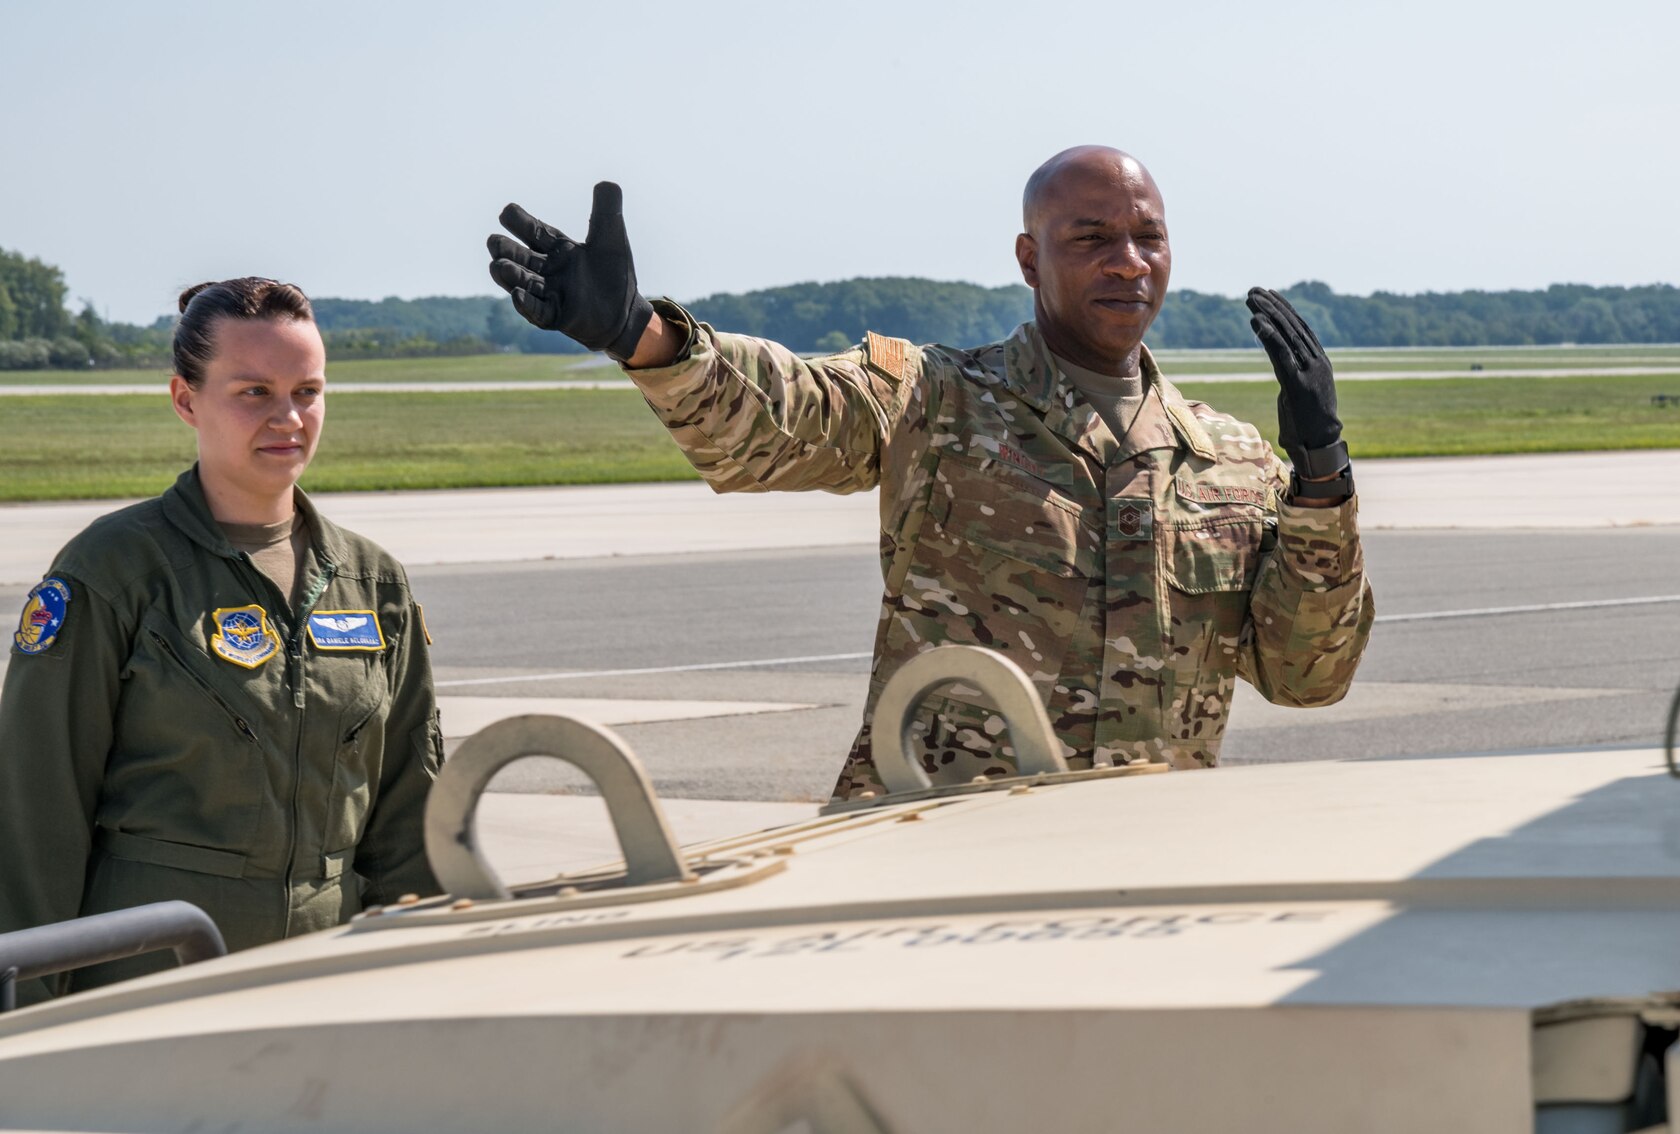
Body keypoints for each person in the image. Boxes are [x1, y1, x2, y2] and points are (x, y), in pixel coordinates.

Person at [486, 146, 1372, 800]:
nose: (1127, 262)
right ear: (1030, 259)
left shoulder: (1235, 461)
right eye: (1092, 237)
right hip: (937, 860)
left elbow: (1307, 676)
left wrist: (1322, 478)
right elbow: (780, 419)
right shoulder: (938, 399)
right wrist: (640, 333)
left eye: (1148, 237)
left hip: (1144, 864)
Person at [0, 278, 442, 1004]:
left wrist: (421, 981)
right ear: (185, 400)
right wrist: (23, 1015)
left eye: (307, 390)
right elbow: (35, 806)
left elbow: (410, 818)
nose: (288, 417)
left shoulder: (374, 584)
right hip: (148, 989)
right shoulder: (116, 573)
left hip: (326, 987)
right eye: (254, 392)